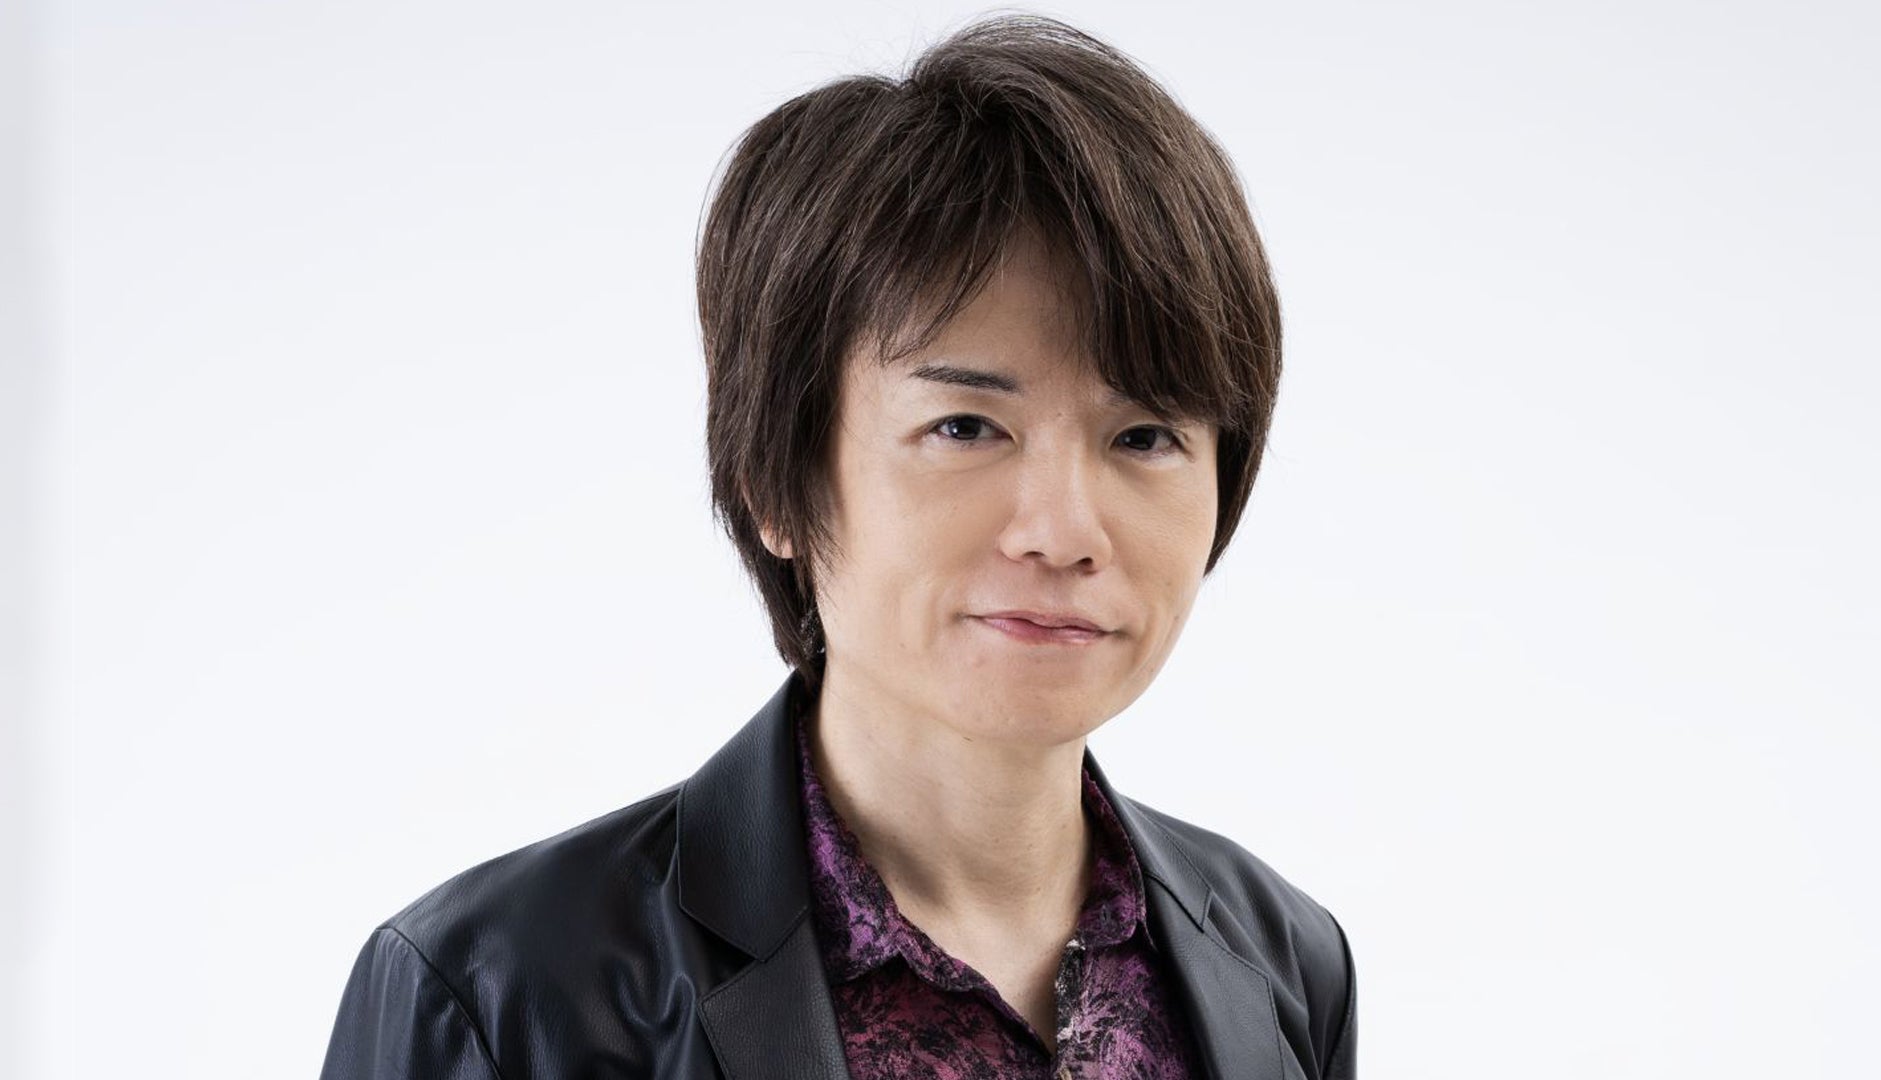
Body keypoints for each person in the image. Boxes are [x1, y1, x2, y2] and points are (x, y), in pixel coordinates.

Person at [319, 13, 1356, 1079]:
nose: (1063, 532)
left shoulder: (1283, 963)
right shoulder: (501, 995)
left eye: (1144, 437)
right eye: (966, 427)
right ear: (777, 478)